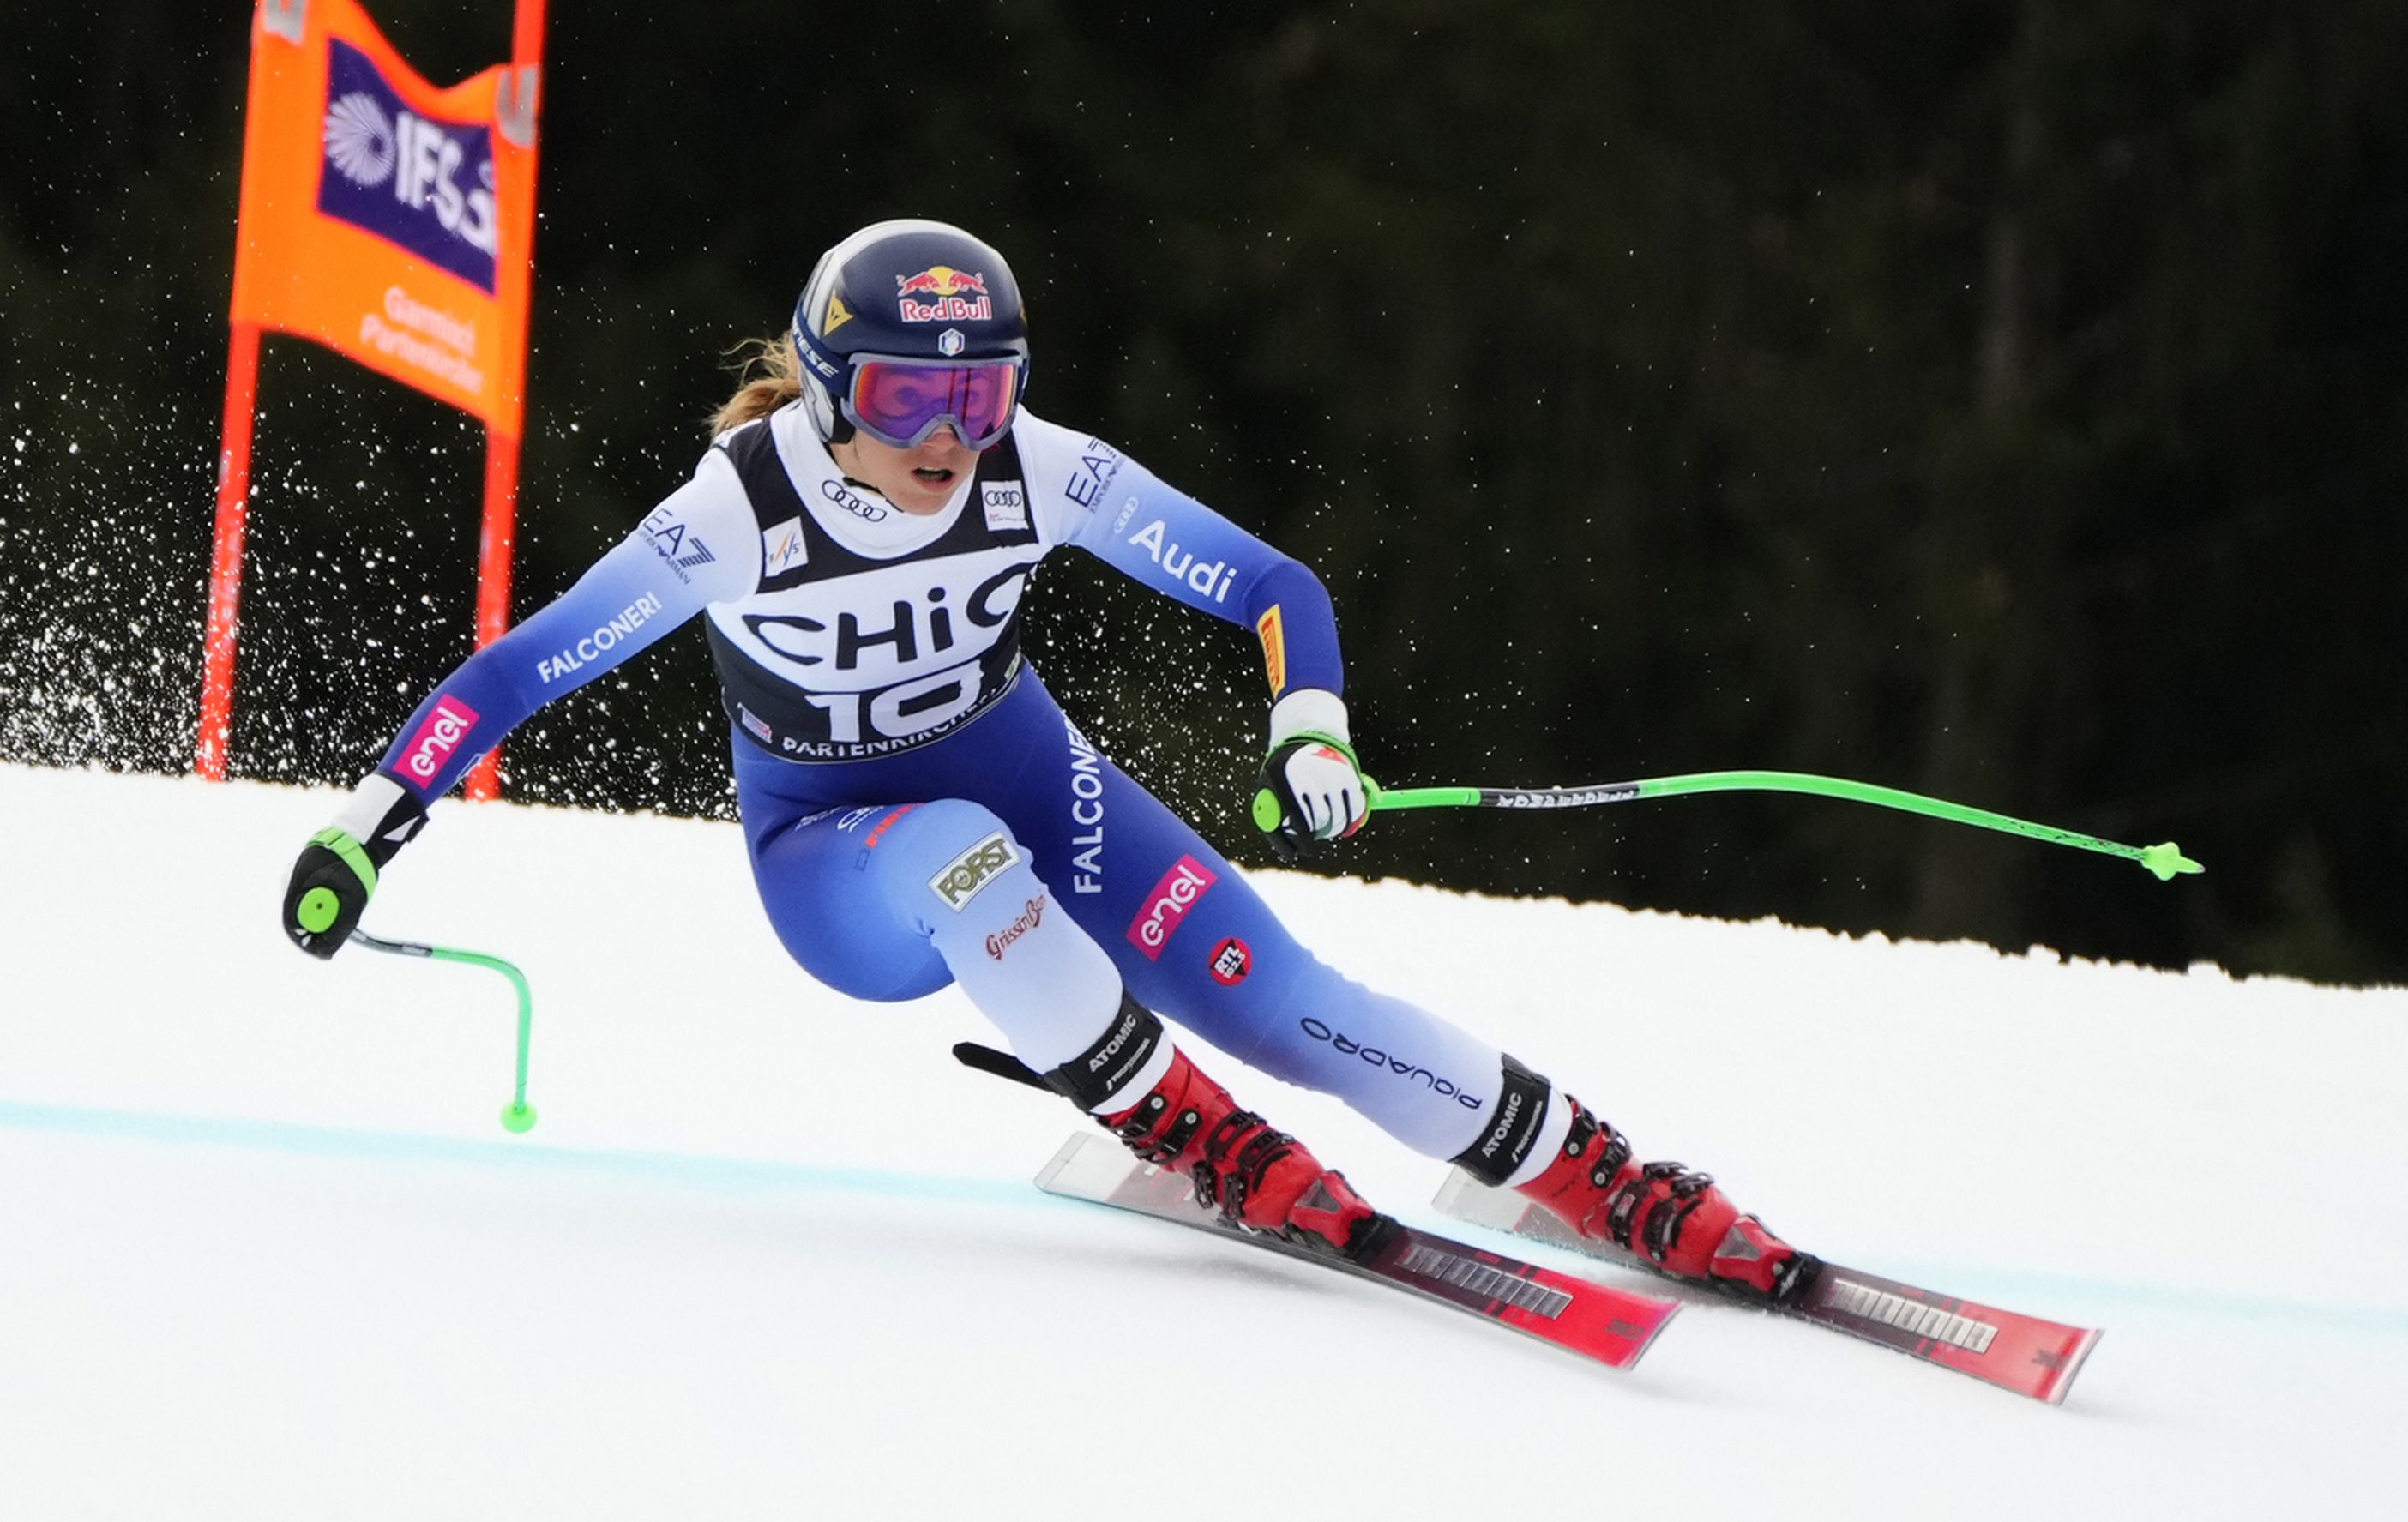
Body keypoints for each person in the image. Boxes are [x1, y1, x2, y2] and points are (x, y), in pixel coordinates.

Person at [280, 219, 1804, 1297]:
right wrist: (366, 829)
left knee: (1287, 1001)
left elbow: (1273, 588)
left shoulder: (1036, 469)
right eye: (907, 396)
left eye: (983, 388)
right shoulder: (737, 512)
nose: (952, 434)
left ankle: (1588, 1172)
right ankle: (1192, 1132)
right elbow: (517, 671)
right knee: (957, 849)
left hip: (1028, 778)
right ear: (828, 389)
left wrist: (1311, 721)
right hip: (838, 859)